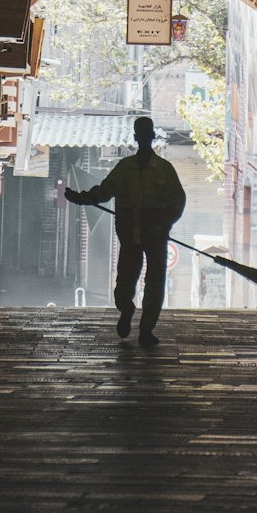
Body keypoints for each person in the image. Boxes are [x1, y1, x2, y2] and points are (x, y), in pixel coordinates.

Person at [65, 116, 186, 348]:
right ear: (135, 138)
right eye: (139, 135)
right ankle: (126, 308)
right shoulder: (124, 169)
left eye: (145, 135)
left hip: (155, 237)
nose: (142, 139)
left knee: (155, 283)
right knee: (124, 284)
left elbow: (177, 201)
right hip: (129, 237)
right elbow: (103, 192)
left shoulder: (164, 170)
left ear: (150, 137)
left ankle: (146, 329)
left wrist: (164, 224)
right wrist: (81, 199)